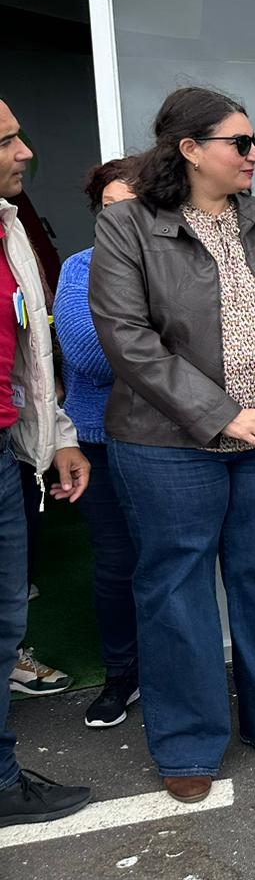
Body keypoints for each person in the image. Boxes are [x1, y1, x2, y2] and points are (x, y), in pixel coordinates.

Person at [90, 87, 255, 804]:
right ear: (191, 150)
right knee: (177, 588)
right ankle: (189, 744)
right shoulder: (128, 227)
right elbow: (126, 338)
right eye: (241, 142)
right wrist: (224, 415)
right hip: (168, 443)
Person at [0, 98, 93, 828]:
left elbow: (33, 351)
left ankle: (3, 782)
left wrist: (54, 432)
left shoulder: (11, 229)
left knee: (5, 622)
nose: (26, 151)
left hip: (5, 452)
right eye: (5, 141)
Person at [52, 157, 144, 727]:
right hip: (102, 440)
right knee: (116, 564)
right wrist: (165, 348)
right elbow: (87, 356)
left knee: (173, 562)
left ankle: (175, 674)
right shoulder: (80, 269)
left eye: (133, 205)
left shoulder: (180, 262)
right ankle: (121, 675)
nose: (121, 217)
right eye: (110, 207)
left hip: (173, 441)